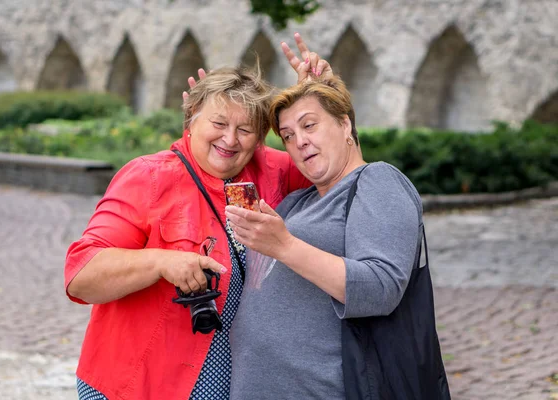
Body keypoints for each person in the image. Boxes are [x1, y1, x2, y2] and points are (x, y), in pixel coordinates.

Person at [64, 35, 332, 399]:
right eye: (218, 122)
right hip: (138, 383)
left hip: (232, 383)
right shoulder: (148, 177)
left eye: (244, 129)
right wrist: (161, 261)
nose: (230, 139)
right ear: (191, 119)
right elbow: (81, 276)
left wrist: (325, 98)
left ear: (259, 139)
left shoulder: (273, 170)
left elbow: (342, 172)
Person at [225, 75, 449, 398]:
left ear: (345, 125)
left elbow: (380, 287)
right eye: (287, 135)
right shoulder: (295, 202)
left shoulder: (377, 181)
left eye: (309, 125)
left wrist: (285, 246)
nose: (298, 141)